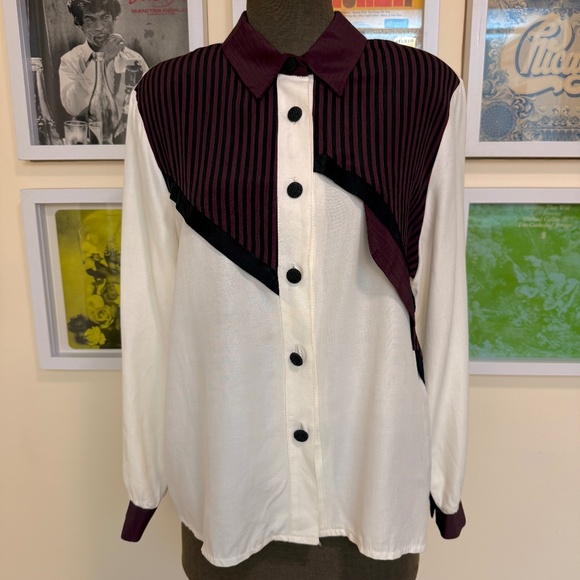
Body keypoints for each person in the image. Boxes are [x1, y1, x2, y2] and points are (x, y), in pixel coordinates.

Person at [59, 0, 148, 119]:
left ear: (114, 18)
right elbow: (73, 107)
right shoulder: (70, 60)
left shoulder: (135, 59)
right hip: (90, 131)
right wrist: (102, 58)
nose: (99, 27)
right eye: (89, 20)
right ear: (80, 24)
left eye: (105, 17)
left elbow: (150, 105)